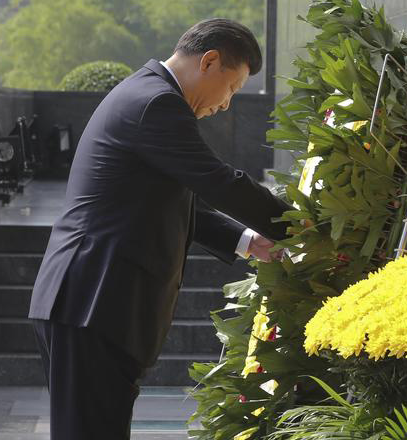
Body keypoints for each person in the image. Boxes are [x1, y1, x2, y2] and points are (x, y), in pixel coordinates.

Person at [28, 18, 291, 439]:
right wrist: (301, 227)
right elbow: (218, 181)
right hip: (92, 303)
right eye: (231, 88)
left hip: (92, 303)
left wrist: (248, 241)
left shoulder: (148, 93)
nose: (226, 104)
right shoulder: (156, 102)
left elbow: (178, 200)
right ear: (209, 61)